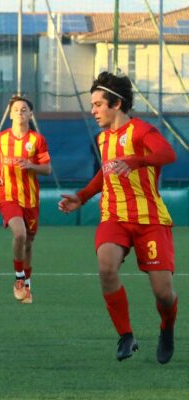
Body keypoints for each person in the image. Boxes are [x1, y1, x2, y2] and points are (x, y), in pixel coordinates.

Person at [58, 72, 178, 364]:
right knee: (106, 267)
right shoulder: (102, 139)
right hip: (114, 217)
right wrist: (83, 196)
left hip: (150, 220)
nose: (93, 110)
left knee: (163, 294)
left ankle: (167, 328)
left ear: (117, 104)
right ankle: (126, 335)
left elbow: (167, 153)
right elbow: (106, 173)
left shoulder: (141, 131)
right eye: (93, 104)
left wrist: (135, 161)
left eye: (98, 104)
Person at [0, 95, 52, 305]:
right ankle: (19, 278)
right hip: (7, 195)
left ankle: (27, 282)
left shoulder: (37, 140)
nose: (20, 113)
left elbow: (47, 169)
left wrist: (31, 166)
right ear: (10, 114)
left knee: (28, 243)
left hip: (30, 198)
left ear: (30, 114)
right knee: (19, 234)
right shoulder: (1, 138)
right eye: (16, 109)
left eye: (24, 110)